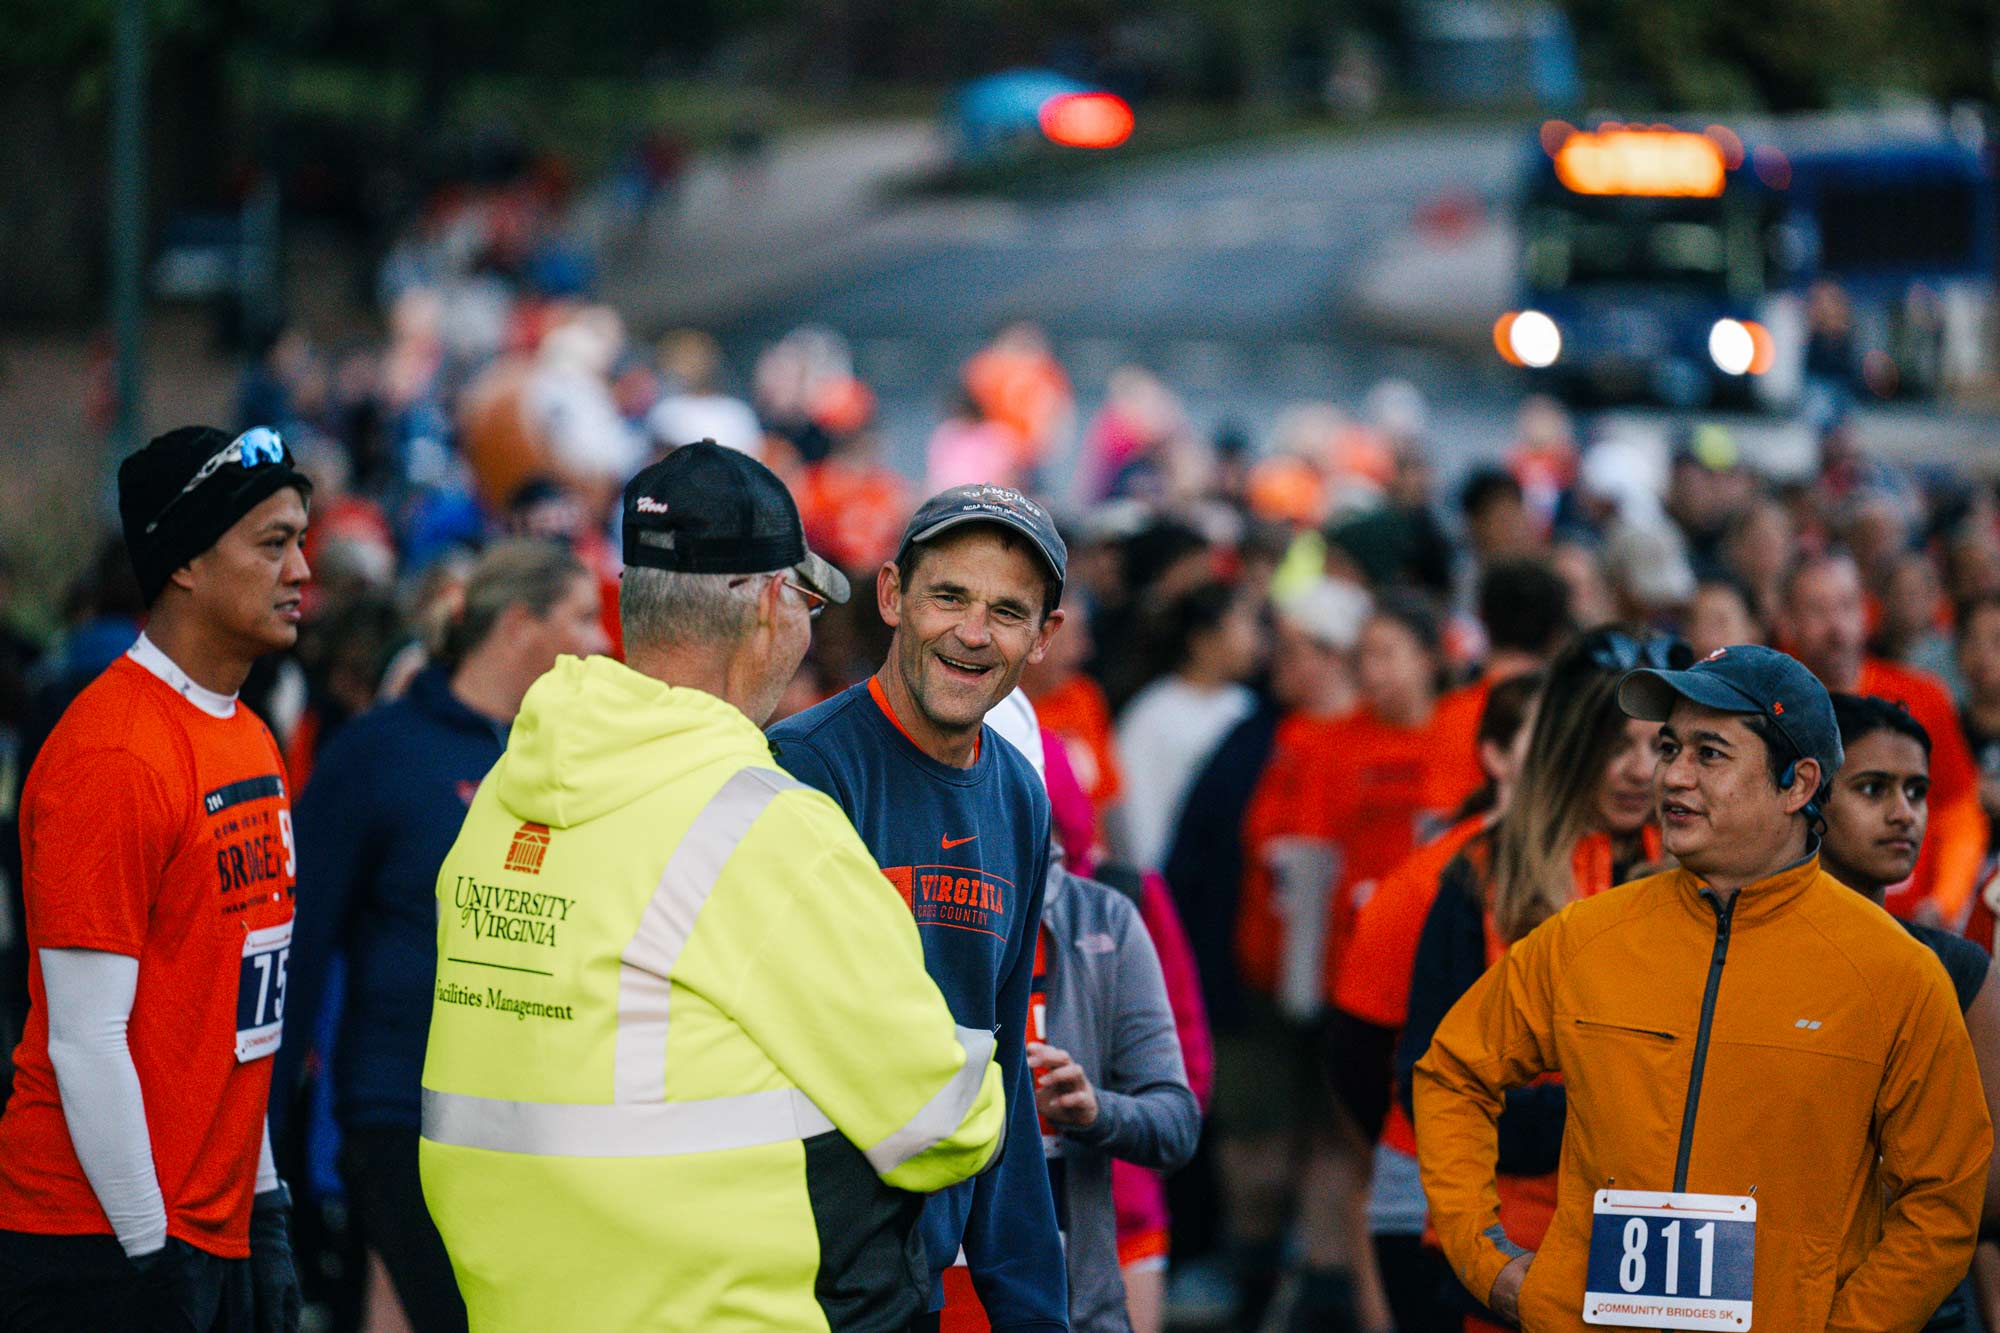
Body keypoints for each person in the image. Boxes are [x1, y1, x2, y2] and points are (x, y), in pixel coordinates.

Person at [418, 445, 1005, 1331]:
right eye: (806, 602)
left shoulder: (506, 797)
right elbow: (939, 1119)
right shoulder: (765, 828)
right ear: (772, 605)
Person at [1416, 643, 1991, 1331]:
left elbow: (1945, 1196)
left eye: (1709, 753)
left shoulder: (1895, 973)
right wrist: (1491, 1264)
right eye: (1671, 747)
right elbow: (1451, 1072)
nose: (1673, 776)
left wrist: (1850, 1325)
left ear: (1798, 784)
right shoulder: (1584, 937)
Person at [0, 426, 313, 1331]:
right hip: (97, 1239)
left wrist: (264, 1201)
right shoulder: (113, 753)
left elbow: (238, 1014)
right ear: (183, 562)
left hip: (203, 1228)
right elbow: (83, 1037)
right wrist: (152, 1254)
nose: (302, 570)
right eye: (272, 543)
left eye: (301, 539)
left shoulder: (248, 733)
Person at [271, 539, 607, 1332]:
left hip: (535, 1112)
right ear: (521, 622)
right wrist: (273, 1143)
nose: (600, 641)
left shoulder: (572, 755)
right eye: (583, 616)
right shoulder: (379, 751)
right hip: (399, 1108)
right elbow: (301, 943)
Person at [771, 483, 1070, 1332]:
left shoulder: (1019, 795)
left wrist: (1033, 1310)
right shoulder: (800, 769)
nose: (973, 633)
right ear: (894, 595)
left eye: (1008, 611)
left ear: (1043, 636)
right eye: (949, 596)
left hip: (916, 1281)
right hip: (797, 1273)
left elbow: (1002, 1062)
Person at [1398, 628, 1679, 1331]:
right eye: (1616, 745)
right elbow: (1422, 1078)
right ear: (1566, 744)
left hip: (1666, 1249)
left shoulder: (1701, 876)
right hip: (1511, 1244)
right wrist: (1598, 1117)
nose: (1639, 770)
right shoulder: (1477, 875)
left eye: (1660, 747)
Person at [1232, 593, 1453, 1331]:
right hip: (1355, 985)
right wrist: (1303, 988)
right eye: (1367, 654)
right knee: (1359, 1148)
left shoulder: (1459, 738)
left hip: (1445, 985)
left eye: (1389, 651)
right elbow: (1307, 864)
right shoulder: (1330, 742)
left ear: (1431, 656)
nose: (1375, 669)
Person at [1327, 668, 1541, 1331]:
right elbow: (1357, 1041)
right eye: (1552, 742)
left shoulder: (1624, 867)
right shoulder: (1434, 875)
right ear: (1497, 758)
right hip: (1429, 1185)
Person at [1819, 693, 2000, 1332]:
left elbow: (1990, 1188)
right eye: (1873, 789)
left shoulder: (1957, 969)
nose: (1904, 815)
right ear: (1810, 793)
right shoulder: (1741, 949)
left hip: (1924, 1310)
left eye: (1917, 792)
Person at [1782, 550, 1987, 922]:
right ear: (1788, 622)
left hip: (1913, 916)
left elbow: (1959, 813)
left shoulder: (1923, 696)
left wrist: (1944, 903)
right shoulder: (1773, 708)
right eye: (1816, 610)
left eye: (1846, 606)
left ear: (1866, 612)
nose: (1836, 626)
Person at [1112, 581, 1262, 873]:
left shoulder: (1246, 707)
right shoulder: (1152, 715)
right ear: (1202, 641)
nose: (1255, 639)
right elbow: (1138, 814)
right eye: (1242, 624)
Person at [1428, 558, 1571, 809]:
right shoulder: (1573, 711)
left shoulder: (1450, 715)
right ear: (1558, 633)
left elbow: (1438, 815)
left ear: (1482, 619)